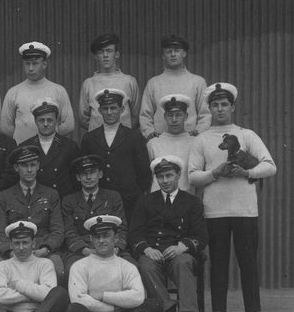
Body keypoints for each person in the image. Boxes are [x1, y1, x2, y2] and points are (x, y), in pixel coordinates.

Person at [188, 82, 276, 312]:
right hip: (214, 211)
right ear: (209, 108)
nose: (219, 109)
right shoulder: (203, 139)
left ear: (233, 106)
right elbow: (192, 175)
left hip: (245, 210)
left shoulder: (247, 135)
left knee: (248, 261)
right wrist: (214, 172)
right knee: (217, 262)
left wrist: (245, 172)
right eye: (215, 105)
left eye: (224, 104)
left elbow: (270, 166)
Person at [129, 156, 208, 312]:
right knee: (145, 266)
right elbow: (135, 233)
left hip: (178, 253)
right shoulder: (146, 201)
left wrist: (183, 246)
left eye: (169, 175)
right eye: (160, 177)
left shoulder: (191, 202)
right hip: (153, 252)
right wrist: (146, 249)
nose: (164, 181)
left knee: (184, 263)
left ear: (179, 175)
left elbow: (202, 236)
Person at [66, 216, 162, 312]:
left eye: (106, 236)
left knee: (155, 304)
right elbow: (78, 298)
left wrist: (104, 295)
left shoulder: (126, 266)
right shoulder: (79, 266)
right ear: (91, 239)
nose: (101, 241)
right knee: (73, 309)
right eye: (97, 237)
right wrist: (112, 307)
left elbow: (138, 297)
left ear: (116, 238)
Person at [0, 145, 65, 286]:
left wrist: (45, 249)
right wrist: (10, 252)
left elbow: (58, 231)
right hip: (13, 250)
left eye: (33, 165)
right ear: (16, 168)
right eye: (24, 166)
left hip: (43, 249)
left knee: (59, 272)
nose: (29, 170)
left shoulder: (51, 194)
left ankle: (53, 306)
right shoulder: (4, 196)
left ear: (38, 165)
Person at [80, 88, 151, 221]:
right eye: (105, 108)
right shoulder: (89, 138)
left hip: (128, 200)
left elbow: (144, 171)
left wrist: (135, 193)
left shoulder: (134, 136)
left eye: (113, 108)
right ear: (99, 110)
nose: (109, 112)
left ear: (122, 109)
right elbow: (83, 170)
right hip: (98, 200)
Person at [61, 155, 129, 273]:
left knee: (132, 267)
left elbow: (122, 227)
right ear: (78, 177)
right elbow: (69, 231)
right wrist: (85, 250)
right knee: (72, 270)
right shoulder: (69, 201)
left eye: (92, 172)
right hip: (82, 251)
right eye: (84, 173)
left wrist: (116, 249)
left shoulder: (113, 197)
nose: (88, 177)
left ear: (100, 174)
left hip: (111, 248)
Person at [0, 42, 75, 144]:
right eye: (27, 63)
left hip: (52, 151)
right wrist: (22, 139)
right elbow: (5, 127)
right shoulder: (13, 92)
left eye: (35, 64)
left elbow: (68, 125)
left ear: (44, 65)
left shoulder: (58, 91)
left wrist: (47, 137)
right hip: (23, 151)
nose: (30, 68)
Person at [139, 35, 210, 140]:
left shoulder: (197, 82)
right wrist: (150, 134)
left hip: (190, 142)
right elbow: (145, 115)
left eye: (177, 50)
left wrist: (198, 133)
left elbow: (205, 114)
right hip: (161, 142)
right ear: (163, 55)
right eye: (168, 51)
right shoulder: (153, 83)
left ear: (184, 53)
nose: (173, 54)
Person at [77, 33, 140, 135]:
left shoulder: (129, 81)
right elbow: (83, 118)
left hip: (123, 139)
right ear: (96, 56)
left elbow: (136, 115)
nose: (105, 55)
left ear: (117, 54)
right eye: (101, 52)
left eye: (109, 51)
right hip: (98, 141)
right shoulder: (88, 83)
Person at [20, 98, 81, 197]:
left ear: (56, 121)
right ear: (35, 121)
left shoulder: (70, 146)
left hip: (62, 199)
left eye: (50, 120)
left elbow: (76, 179)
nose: (45, 124)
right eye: (41, 120)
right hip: (35, 200)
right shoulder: (25, 146)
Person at [146, 94, 196, 193]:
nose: (174, 120)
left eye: (178, 115)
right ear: (164, 116)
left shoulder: (195, 142)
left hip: (187, 199)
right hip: (158, 201)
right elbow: (148, 178)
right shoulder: (153, 143)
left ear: (186, 116)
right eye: (170, 115)